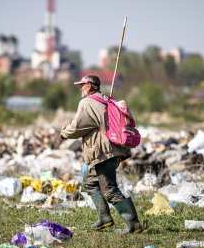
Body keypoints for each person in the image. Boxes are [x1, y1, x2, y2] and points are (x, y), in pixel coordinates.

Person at [60, 75, 143, 234]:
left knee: (110, 190)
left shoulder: (87, 102)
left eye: (82, 85)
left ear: (90, 86)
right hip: (113, 150)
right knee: (90, 183)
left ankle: (134, 224)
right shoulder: (107, 99)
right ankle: (104, 218)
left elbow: (79, 126)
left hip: (103, 151)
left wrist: (64, 133)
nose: (80, 88)